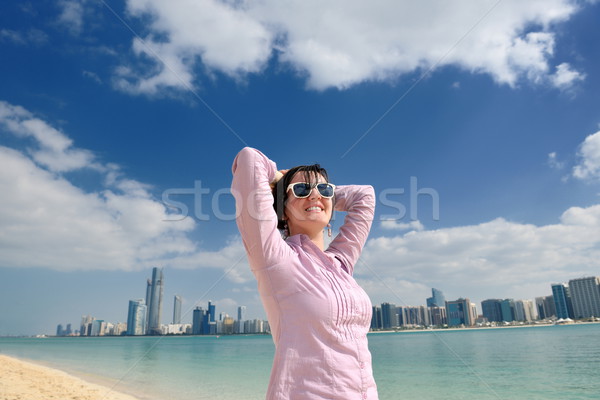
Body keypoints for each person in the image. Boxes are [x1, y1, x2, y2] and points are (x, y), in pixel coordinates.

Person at [231, 147, 378, 400]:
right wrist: (281, 181)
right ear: (283, 211)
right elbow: (249, 159)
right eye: (301, 191)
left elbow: (365, 196)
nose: (314, 196)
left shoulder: (340, 264)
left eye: (324, 190)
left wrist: (315, 192)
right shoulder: (275, 258)